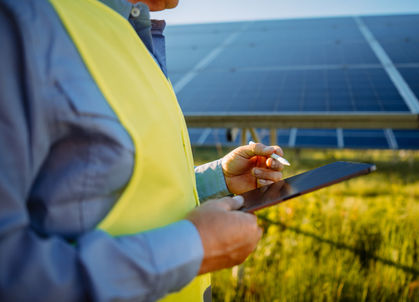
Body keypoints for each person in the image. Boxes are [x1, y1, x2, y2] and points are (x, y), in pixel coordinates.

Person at [0, 0, 284, 301]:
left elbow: (107, 194)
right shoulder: (20, 24)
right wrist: (191, 248)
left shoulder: (134, 36)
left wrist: (220, 180)